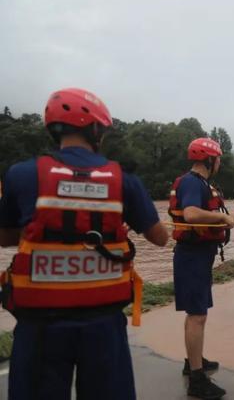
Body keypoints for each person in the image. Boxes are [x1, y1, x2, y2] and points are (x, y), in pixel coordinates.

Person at [0, 88, 168, 400]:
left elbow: (5, 237)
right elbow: (160, 238)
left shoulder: (21, 175)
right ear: (95, 130)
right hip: (103, 325)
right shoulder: (124, 180)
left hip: (39, 327)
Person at [169, 137, 234, 399]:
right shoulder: (192, 182)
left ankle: (193, 361)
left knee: (196, 313)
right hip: (191, 256)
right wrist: (224, 218)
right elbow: (191, 214)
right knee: (197, 314)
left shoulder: (203, 184)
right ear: (209, 160)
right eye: (219, 159)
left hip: (199, 256)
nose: (220, 163)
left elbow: (220, 212)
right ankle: (197, 379)